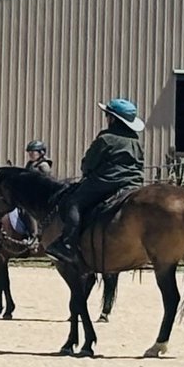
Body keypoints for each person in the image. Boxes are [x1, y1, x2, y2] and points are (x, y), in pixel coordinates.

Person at [46, 99, 147, 263]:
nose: (106, 118)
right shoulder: (135, 141)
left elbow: (89, 164)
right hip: (132, 183)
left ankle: (67, 244)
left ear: (113, 119)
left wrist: (86, 170)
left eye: (107, 115)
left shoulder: (106, 138)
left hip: (106, 182)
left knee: (74, 201)